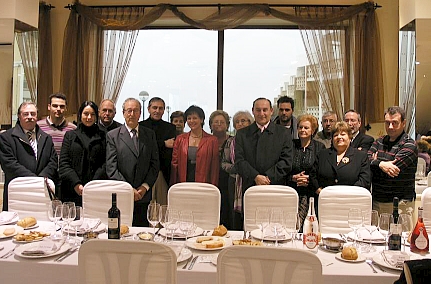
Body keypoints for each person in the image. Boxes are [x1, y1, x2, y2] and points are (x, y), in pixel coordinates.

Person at [106, 98, 160, 227]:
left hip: (143, 195)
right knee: (122, 233)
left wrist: (144, 187)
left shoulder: (149, 134)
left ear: (140, 113)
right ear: (123, 113)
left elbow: (155, 164)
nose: (132, 114)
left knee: (142, 234)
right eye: (129, 110)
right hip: (122, 194)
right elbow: (111, 168)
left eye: (135, 111)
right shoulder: (113, 136)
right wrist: (129, 189)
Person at [0, 102, 58, 210]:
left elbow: (53, 162)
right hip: (18, 193)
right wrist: (35, 181)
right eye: (26, 114)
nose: (30, 117)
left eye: (33, 114)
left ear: (37, 116)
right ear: (19, 116)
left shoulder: (46, 138)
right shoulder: (6, 138)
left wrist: (41, 181)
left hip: (42, 192)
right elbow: (9, 165)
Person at [310, 121, 371, 217]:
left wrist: (346, 196)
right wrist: (320, 191)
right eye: (335, 135)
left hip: (351, 206)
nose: (339, 137)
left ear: (350, 137)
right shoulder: (322, 154)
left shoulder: (360, 156)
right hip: (326, 204)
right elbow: (313, 175)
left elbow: (365, 180)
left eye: (343, 134)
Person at [235, 97, 293, 192]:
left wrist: (268, 177)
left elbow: (286, 161)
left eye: (265, 110)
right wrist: (255, 177)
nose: (262, 114)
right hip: (250, 186)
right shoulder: (242, 134)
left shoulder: (284, 133)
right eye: (258, 110)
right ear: (253, 111)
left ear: (271, 111)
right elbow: (239, 161)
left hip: (275, 186)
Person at [368, 106, 418, 214]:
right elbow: (365, 161)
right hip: (376, 201)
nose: (390, 126)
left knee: (401, 232)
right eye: (387, 123)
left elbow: (391, 172)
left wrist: (375, 163)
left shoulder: (409, 144)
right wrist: (381, 164)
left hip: (400, 204)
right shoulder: (379, 141)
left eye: (395, 122)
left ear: (403, 123)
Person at [59, 101, 107, 206]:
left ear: (96, 116)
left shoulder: (103, 136)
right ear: (80, 114)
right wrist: (76, 184)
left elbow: (105, 163)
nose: (89, 117)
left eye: (92, 114)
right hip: (71, 188)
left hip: (96, 188)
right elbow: (64, 163)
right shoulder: (70, 135)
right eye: (86, 114)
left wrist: (92, 184)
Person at [287, 114, 325, 231]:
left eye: (306, 128)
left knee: (308, 227)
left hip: (311, 193)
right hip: (291, 191)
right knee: (291, 225)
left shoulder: (320, 147)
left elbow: (322, 171)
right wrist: (293, 177)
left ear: (313, 130)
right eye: (300, 127)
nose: (302, 130)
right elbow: (284, 167)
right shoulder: (290, 145)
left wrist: (309, 179)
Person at [139, 97, 176, 205]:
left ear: (164, 110)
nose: (157, 111)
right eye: (154, 108)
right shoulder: (141, 126)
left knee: (162, 206)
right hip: (144, 173)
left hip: (162, 173)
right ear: (149, 109)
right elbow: (144, 148)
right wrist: (163, 144)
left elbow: (168, 151)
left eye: (161, 108)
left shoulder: (170, 128)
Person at [170, 105, 219, 186]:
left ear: (201, 120)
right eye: (189, 118)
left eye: (195, 118)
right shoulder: (180, 139)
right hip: (183, 180)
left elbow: (214, 167)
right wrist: (173, 185)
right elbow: (175, 164)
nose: (191, 121)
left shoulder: (212, 140)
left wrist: (213, 186)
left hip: (204, 182)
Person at [221, 110, 254, 230]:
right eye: (237, 122)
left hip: (251, 181)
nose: (240, 124)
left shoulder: (256, 140)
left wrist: (247, 170)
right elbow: (224, 163)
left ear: (251, 123)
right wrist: (237, 168)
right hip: (233, 181)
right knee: (234, 215)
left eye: (243, 121)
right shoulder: (230, 141)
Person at [210, 110, 233, 228]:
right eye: (216, 122)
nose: (219, 124)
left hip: (229, 182)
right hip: (210, 180)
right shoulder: (206, 141)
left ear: (227, 125)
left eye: (222, 122)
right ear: (210, 125)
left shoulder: (233, 141)